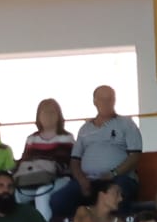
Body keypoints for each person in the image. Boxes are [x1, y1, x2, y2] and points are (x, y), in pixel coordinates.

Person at [54, 85, 143, 214]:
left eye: (110, 99)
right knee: (58, 200)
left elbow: (135, 156)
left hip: (118, 178)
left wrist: (113, 173)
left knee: (117, 194)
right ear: (95, 102)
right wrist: (81, 179)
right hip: (89, 181)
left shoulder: (126, 123)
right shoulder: (84, 128)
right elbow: (75, 160)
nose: (107, 103)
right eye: (102, 99)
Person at [16, 97, 76, 218]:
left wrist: (39, 164)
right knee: (14, 194)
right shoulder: (31, 138)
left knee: (42, 193)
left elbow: (63, 162)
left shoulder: (66, 137)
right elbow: (25, 162)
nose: (48, 115)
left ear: (58, 115)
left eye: (52, 112)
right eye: (44, 112)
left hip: (58, 179)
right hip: (33, 178)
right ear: (38, 116)